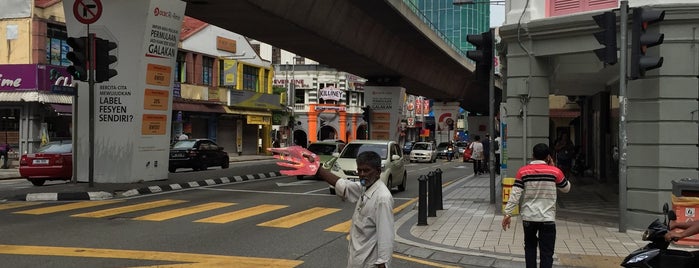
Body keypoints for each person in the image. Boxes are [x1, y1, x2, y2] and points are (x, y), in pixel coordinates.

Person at [269, 146, 394, 268]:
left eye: (366, 171)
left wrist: (383, 262)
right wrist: (317, 169)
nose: (362, 174)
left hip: (369, 264)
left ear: (378, 171)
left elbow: (386, 237)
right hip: (357, 261)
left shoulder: (382, 198)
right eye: (359, 170)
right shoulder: (365, 188)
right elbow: (343, 186)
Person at [501, 143, 571, 268]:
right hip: (547, 219)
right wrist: (554, 167)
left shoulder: (523, 171)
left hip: (529, 218)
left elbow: (515, 194)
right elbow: (566, 188)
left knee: (530, 249)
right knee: (547, 253)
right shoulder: (555, 172)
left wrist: (508, 213)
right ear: (548, 157)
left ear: (533, 155)